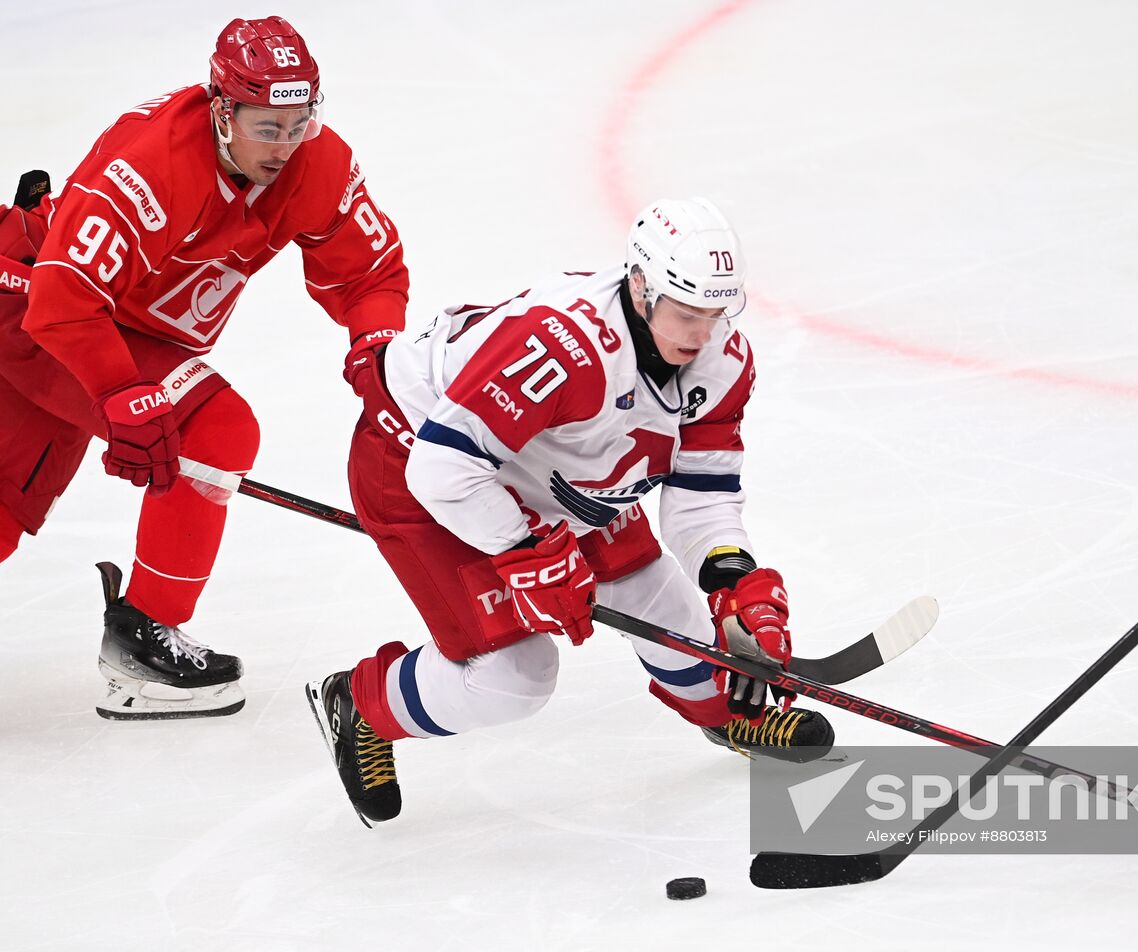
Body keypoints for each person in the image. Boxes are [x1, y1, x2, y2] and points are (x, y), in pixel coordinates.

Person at [305, 197, 834, 826]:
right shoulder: (562, 346)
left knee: (650, 589)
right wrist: (523, 551)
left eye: (716, 314)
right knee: (514, 677)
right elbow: (443, 467)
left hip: (548, 460)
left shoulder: (722, 361)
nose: (701, 336)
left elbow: (701, 496)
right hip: (416, 457)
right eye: (686, 313)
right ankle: (362, 702)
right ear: (641, 286)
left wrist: (730, 576)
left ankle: (727, 712)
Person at [0, 16, 408, 718]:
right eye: (265, 127)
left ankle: (142, 639)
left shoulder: (318, 163)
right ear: (223, 110)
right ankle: (143, 642)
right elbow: (64, 297)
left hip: (93, 326)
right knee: (215, 428)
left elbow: (370, 272)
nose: (284, 146)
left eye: (297, 123)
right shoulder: (151, 161)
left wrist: (375, 348)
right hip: (42, 310)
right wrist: (124, 393)